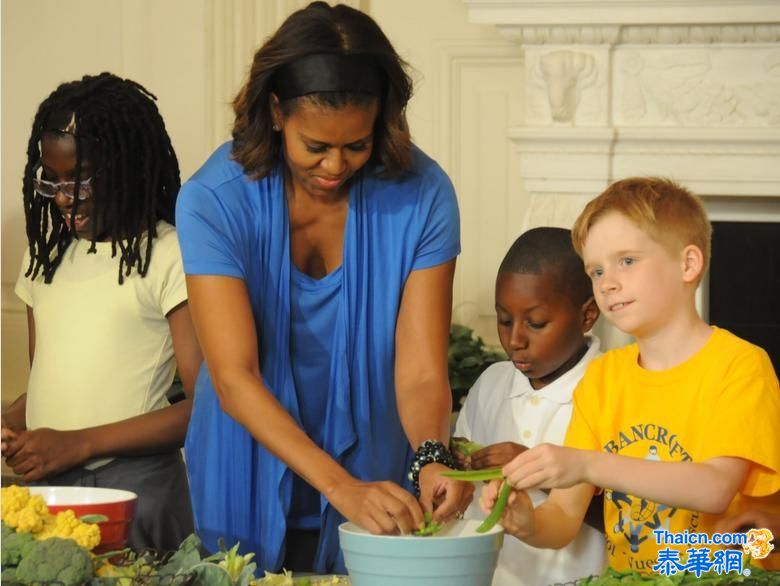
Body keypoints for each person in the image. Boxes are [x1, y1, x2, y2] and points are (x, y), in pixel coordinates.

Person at [175, 1, 471, 575]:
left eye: (356, 144)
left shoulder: (425, 196)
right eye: (316, 146)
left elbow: (421, 372)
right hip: (245, 460)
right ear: (277, 111)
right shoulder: (213, 199)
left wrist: (433, 458)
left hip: (377, 468)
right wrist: (341, 487)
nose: (336, 165)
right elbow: (234, 378)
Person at [479, 177, 780, 574]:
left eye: (627, 261)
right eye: (596, 270)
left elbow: (714, 489)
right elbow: (563, 521)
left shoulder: (740, 366)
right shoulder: (603, 378)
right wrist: (527, 522)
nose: (608, 282)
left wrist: (587, 464)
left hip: (727, 579)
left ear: (688, 264)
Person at [1, 72, 202, 553]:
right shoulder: (45, 258)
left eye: (81, 179)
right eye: (53, 180)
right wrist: (12, 422)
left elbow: (205, 408)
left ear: (129, 166)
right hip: (48, 490)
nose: (66, 198)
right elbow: (51, 381)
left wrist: (78, 442)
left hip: (139, 492)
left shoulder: (170, 254)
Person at [453, 227, 606, 586]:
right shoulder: (491, 382)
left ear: (587, 315)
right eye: (504, 320)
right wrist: (459, 467)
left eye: (536, 323)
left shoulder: (610, 387)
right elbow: (463, 475)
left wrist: (537, 470)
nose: (515, 339)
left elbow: (630, 516)